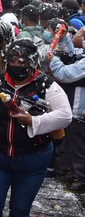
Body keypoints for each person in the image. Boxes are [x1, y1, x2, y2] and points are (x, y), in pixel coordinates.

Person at [0, 39, 72, 216]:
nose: (16, 65)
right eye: (12, 61)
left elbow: (65, 115)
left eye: (22, 62)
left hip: (33, 158)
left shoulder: (45, 85)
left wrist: (33, 121)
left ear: (32, 63)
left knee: (20, 209)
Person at [48, 48, 85, 193]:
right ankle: (75, 174)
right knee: (73, 144)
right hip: (77, 108)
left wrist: (54, 60)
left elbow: (65, 74)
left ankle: (81, 178)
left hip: (79, 110)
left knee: (78, 145)